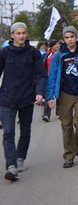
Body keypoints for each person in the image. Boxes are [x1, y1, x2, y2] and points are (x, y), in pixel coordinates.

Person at [0, 23, 45, 181]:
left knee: (25, 131)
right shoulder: (4, 53)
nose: (21, 36)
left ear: (26, 34)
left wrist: (39, 92)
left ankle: (20, 158)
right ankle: (11, 166)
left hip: (26, 97)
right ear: (12, 35)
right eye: (18, 33)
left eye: (23, 33)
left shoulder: (33, 53)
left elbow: (40, 74)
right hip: (7, 98)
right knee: (8, 132)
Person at [45, 26, 78, 169]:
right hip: (64, 94)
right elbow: (52, 76)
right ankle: (69, 155)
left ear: (76, 37)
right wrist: (50, 96)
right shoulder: (59, 55)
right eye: (66, 38)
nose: (69, 40)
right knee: (66, 125)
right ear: (63, 39)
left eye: (71, 37)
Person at [42, 40, 60, 122]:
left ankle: (59, 113)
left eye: (57, 44)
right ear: (52, 46)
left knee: (59, 95)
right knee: (48, 96)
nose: (57, 45)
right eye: (55, 44)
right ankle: (46, 115)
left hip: (59, 77)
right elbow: (43, 65)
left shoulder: (60, 54)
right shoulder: (47, 54)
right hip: (49, 77)